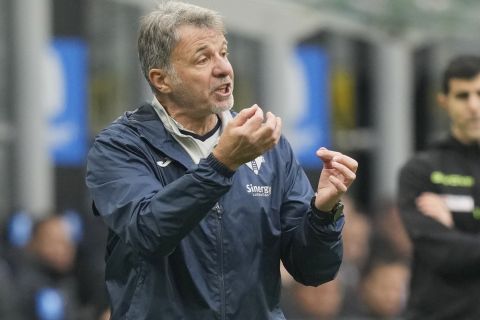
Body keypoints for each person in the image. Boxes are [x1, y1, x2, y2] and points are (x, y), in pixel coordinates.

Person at [86, 1, 358, 319]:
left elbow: (313, 272)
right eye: (203, 58)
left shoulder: (267, 145)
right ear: (162, 80)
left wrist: (323, 213)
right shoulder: (120, 146)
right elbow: (148, 233)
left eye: (224, 53)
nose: (224, 68)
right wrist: (221, 165)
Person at [397, 55, 480, 320]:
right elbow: (441, 254)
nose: (474, 106)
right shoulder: (420, 171)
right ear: (444, 101)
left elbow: (454, 249)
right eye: (463, 96)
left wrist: (452, 230)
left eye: (479, 94)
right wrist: (449, 240)